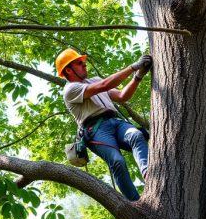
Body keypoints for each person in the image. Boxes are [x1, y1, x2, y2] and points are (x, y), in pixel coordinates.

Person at [56, 48, 152, 201]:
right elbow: (104, 86)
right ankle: (135, 203)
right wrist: (134, 66)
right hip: (96, 129)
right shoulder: (70, 89)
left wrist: (138, 76)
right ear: (68, 69)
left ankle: (150, 175)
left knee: (136, 135)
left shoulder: (94, 80)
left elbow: (122, 96)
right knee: (117, 161)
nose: (84, 65)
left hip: (115, 122)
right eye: (80, 63)